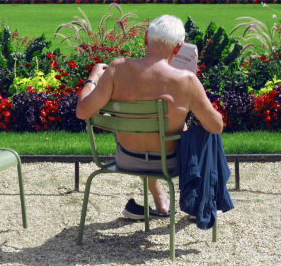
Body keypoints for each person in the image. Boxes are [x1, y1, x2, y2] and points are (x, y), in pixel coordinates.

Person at [76, 15, 223, 219]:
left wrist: (93, 78)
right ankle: (199, 201)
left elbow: (83, 111)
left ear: (146, 38)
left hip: (127, 159)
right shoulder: (186, 80)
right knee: (201, 133)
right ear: (178, 48)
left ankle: (161, 200)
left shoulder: (117, 69)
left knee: (147, 130)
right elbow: (216, 126)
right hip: (169, 164)